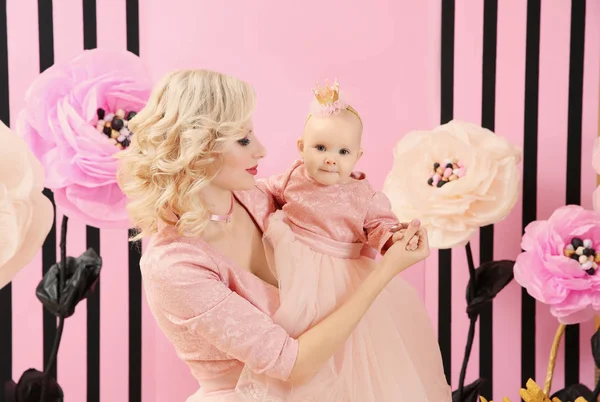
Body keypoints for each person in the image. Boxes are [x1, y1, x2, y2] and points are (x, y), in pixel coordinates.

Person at [116, 69, 433, 402]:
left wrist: (388, 233)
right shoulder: (175, 266)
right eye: (243, 139)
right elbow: (294, 364)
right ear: (195, 149)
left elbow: (333, 204)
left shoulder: (255, 195)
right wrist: (386, 270)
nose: (262, 150)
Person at [234, 80, 451, 401]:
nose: (331, 159)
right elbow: (262, 192)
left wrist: (394, 239)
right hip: (292, 270)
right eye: (320, 148)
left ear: (358, 155)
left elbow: (379, 228)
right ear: (301, 147)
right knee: (295, 338)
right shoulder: (292, 178)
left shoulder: (363, 195)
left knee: (348, 352)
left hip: (341, 278)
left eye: (343, 151)